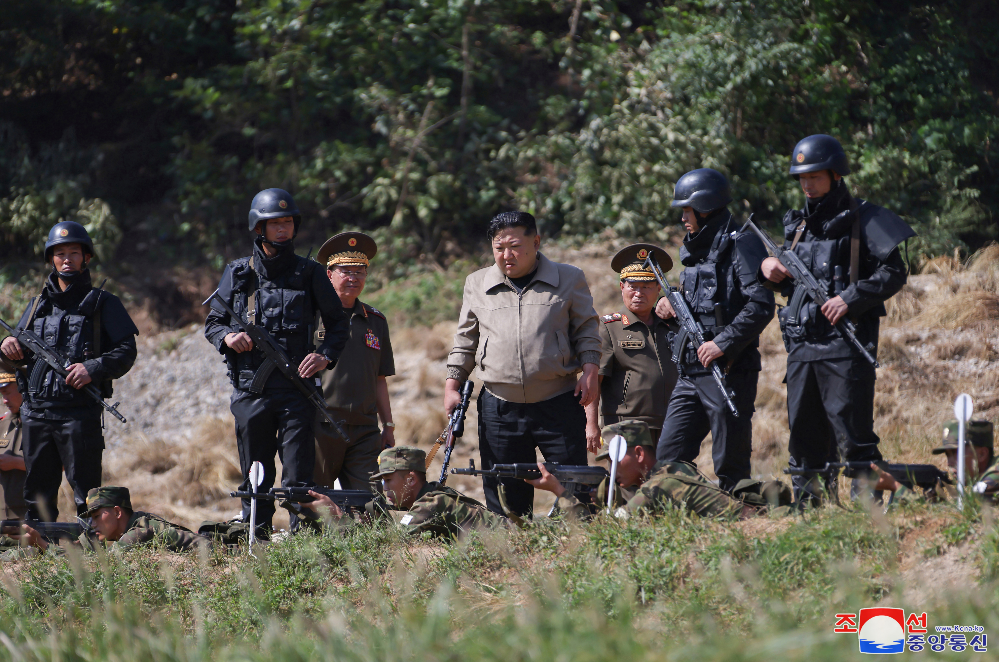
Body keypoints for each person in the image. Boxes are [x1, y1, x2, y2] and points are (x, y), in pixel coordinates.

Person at [758, 135, 913, 502]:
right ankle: (811, 509)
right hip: (801, 347)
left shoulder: (865, 218)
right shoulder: (797, 227)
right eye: (802, 178)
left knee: (852, 432)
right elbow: (790, 287)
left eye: (815, 177)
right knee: (803, 432)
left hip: (847, 343)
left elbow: (894, 271)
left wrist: (850, 298)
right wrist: (769, 269)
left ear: (834, 175)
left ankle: (871, 508)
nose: (807, 185)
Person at [204, 188, 349, 534]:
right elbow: (213, 322)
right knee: (255, 470)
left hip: (297, 391)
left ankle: (302, 538)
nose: (283, 229)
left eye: (288, 222)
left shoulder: (310, 273)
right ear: (259, 228)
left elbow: (338, 324)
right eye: (275, 223)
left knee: (298, 473)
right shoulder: (239, 273)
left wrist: (325, 356)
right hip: (251, 391)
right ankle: (257, 532)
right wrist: (228, 338)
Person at [445, 211, 602, 517]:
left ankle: (578, 548)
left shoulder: (569, 278)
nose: (507, 255)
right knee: (505, 495)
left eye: (515, 246)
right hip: (500, 406)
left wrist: (590, 370)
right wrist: (452, 385)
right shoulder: (476, 283)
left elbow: (586, 330)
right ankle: (511, 557)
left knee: (574, 487)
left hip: (558, 401)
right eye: (499, 248)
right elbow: (465, 341)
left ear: (536, 241)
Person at [1, 221, 138, 521]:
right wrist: (8, 345)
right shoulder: (37, 304)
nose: (67, 259)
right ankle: (39, 556)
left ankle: (91, 554)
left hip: (79, 414)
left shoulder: (105, 304)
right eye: (60, 253)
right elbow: (17, 348)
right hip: (36, 414)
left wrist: (92, 368)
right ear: (51, 258)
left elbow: (127, 352)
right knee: (36, 494)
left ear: (85, 257)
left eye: (74, 252)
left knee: (87, 494)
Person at [653, 169, 775, 491]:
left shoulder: (742, 244)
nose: (683, 218)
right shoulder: (696, 249)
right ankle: (681, 513)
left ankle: (740, 517)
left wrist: (723, 343)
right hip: (691, 370)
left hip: (729, 368)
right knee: (668, 457)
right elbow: (701, 302)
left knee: (729, 463)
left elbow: (761, 304)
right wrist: (671, 306)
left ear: (705, 207)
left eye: (687, 210)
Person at [528, 420, 789, 521]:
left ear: (639, 454)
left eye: (616, 459)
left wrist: (560, 492)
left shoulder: (658, 487)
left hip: (755, 526)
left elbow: (605, 534)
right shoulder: (672, 469)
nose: (611, 468)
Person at [312, 232, 396, 490]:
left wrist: (388, 425)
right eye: (346, 271)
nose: (353, 278)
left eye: (360, 272)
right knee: (314, 504)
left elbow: (379, 379)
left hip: (365, 430)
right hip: (320, 424)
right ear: (329, 274)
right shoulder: (310, 316)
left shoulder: (375, 321)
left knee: (372, 506)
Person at [586, 244, 679, 452]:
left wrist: (674, 300)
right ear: (622, 287)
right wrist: (591, 425)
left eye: (646, 286)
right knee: (629, 482)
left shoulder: (673, 324)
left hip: (671, 422)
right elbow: (594, 380)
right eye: (633, 286)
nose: (638, 293)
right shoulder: (610, 327)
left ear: (658, 289)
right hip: (625, 425)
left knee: (667, 482)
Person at [300, 446, 508, 538]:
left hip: (516, 539)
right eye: (383, 482)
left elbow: (392, 546)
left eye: (389, 480)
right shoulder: (433, 497)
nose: (385, 488)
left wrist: (334, 515)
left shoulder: (430, 504)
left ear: (411, 479)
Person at [17, 486, 206, 553]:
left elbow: (102, 563)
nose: (93, 523)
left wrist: (42, 544)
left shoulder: (138, 533)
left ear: (117, 512)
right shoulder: (112, 534)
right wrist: (41, 544)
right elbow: (75, 554)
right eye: (91, 518)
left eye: (98, 516)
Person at [873, 420, 997, 504]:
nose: (949, 463)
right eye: (947, 455)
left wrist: (896, 487)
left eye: (955, 453)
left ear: (982, 454)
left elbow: (960, 519)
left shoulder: (994, 477)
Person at [0, 362, 27, 520]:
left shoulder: (41, 425)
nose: (4, 400)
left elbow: (60, 466)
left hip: (30, 521)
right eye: (2, 395)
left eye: (7, 393)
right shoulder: (2, 423)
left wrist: (16, 463)